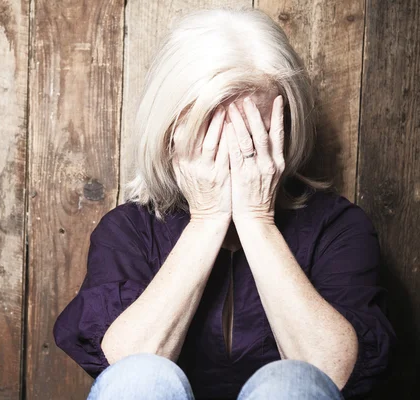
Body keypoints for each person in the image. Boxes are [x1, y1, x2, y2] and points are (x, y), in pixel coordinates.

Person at [53, 6, 396, 400]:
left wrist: (257, 220)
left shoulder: (339, 229)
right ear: (169, 134)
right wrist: (207, 220)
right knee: (140, 375)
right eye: (212, 133)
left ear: (285, 129)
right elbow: (126, 376)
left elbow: (328, 378)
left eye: (253, 131)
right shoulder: (128, 231)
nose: (234, 153)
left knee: (292, 384)